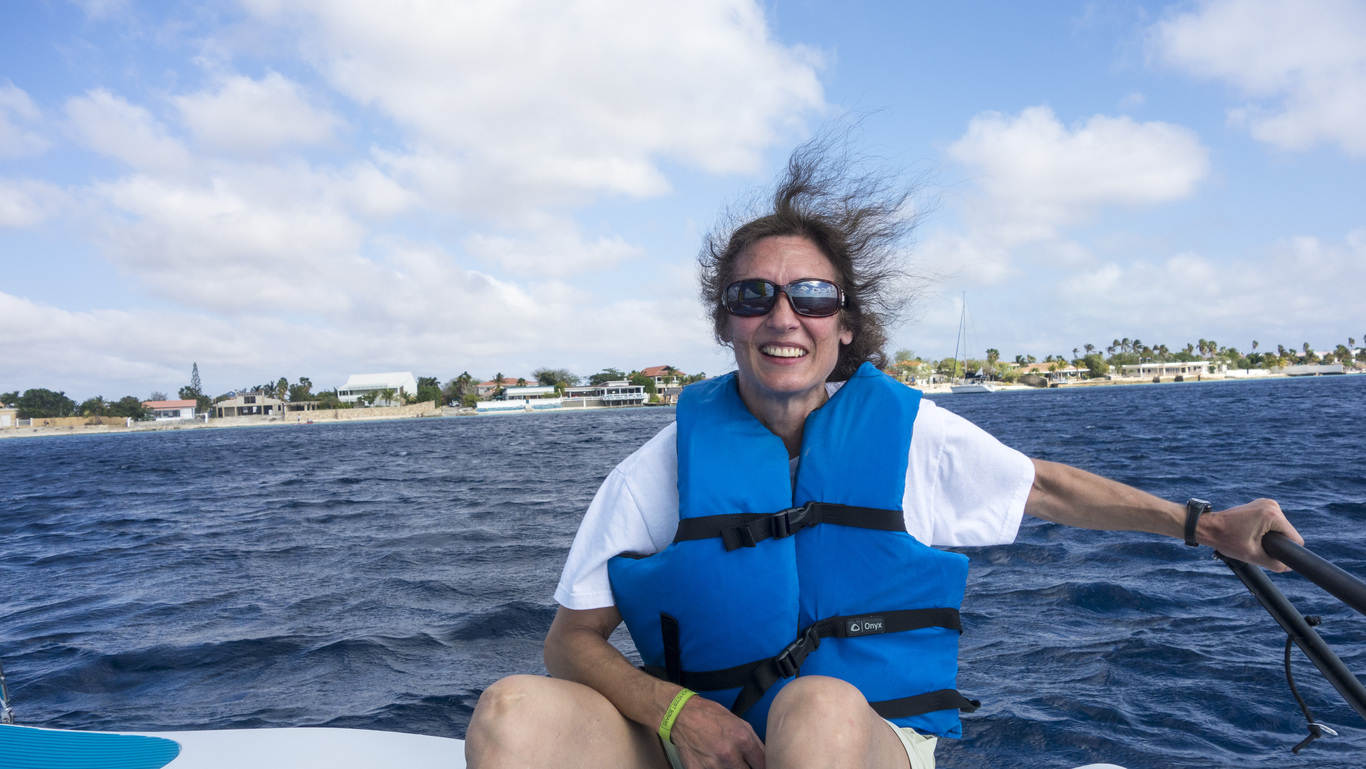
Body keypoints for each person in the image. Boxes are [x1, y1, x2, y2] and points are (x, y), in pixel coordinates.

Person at [463, 139, 1300, 769]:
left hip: (859, 739)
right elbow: (570, 642)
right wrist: (678, 712)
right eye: (754, 296)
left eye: (811, 296)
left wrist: (1204, 524)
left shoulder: (912, 436)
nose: (784, 317)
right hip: (698, 738)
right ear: (726, 323)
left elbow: (1048, 488)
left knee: (816, 706)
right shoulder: (659, 466)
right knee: (511, 713)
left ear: (846, 324)